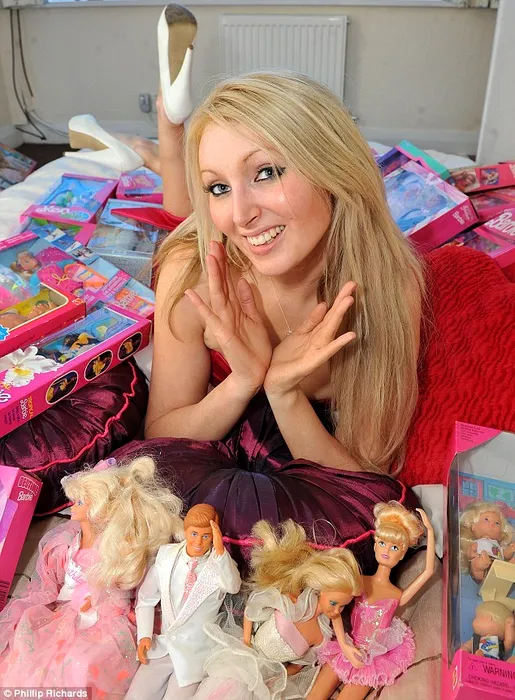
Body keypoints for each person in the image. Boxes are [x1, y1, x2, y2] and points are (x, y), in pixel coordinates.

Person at [70, 5, 423, 570]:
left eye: (266, 172)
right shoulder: (193, 269)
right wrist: (241, 382)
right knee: (178, 215)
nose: (240, 214)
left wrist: (283, 392)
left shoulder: (389, 284)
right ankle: (166, 138)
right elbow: (162, 430)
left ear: (333, 168)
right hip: (196, 252)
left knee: (181, 206)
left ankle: (164, 139)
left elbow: (368, 480)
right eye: (218, 186)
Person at [0, 456, 184, 698]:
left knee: (82, 661)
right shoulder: (65, 544)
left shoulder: (114, 552)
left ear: (98, 509)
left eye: (80, 502)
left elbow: (122, 596)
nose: (72, 506)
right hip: (64, 612)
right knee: (27, 638)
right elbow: (49, 583)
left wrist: (96, 600)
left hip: (103, 619)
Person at [195, 518, 362, 699]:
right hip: (244, 661)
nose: (336, 611)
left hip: (266, 682)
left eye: (343, 607)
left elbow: (298, 666)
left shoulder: (321, 637)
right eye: (334, 603)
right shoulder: (290, 601)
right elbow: (252, 608)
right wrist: (246, 642)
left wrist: (277, 678)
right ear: (321, 589)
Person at [309, 501, 434, 700]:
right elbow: (335, 612)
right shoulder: (359, 582)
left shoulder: (397, 595)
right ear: (375, 545)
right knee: (314, 695)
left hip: (373, 659)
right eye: (382, 543)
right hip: (347, 646)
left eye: (394, 547)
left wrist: (430, 531)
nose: (387, 550)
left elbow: (428, 571)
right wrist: (344, 645)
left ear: (402, 554)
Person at [125, 503, 241, 700]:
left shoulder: (221, 566)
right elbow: (145, 599)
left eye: (206, 536)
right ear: (186, 530)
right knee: (137, 695)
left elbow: (233, 586)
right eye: (194, 534)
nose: (199, 542)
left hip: (194, 655)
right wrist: (144, 635)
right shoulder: (166, 557)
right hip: (163, 647)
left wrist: (220, 551)